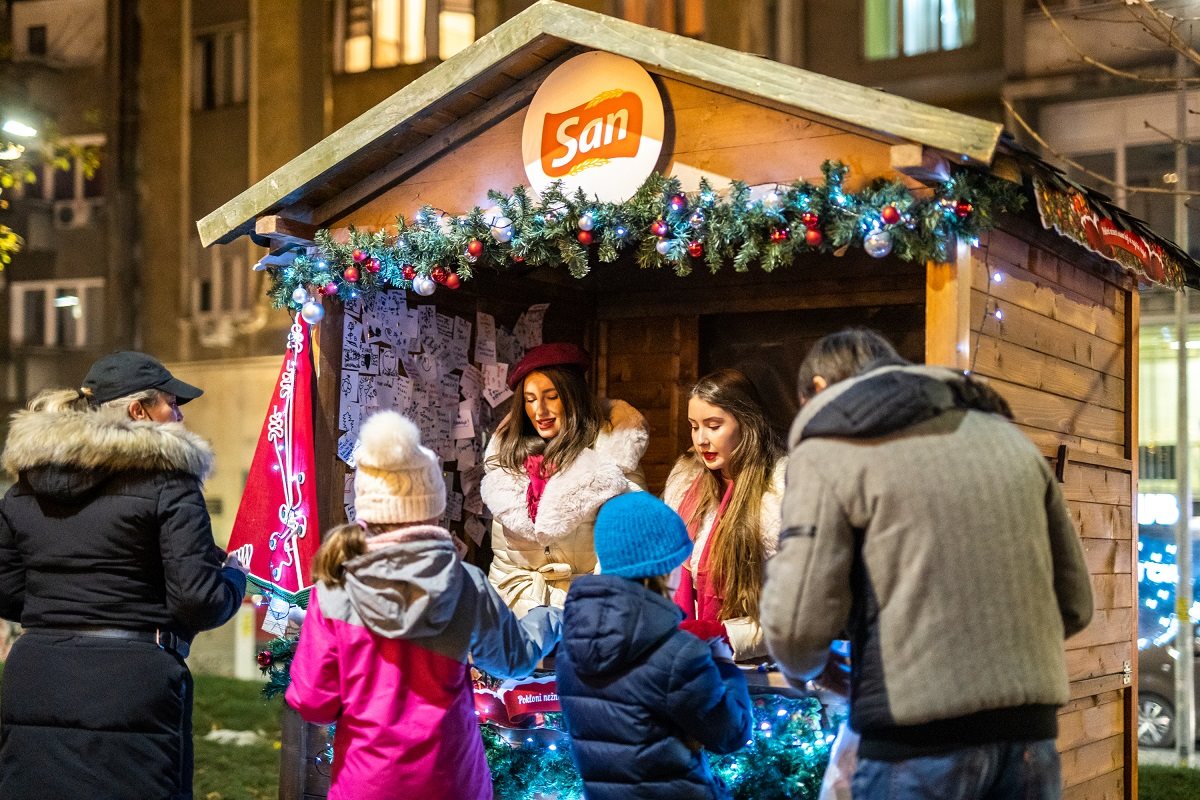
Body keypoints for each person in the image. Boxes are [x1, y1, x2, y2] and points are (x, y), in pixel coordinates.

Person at [761, 328, 1094, 800]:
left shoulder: (829, 453)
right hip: (1029, 738)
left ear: (818, 389)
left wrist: (805, 664)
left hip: (914, 741)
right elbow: (1075, 604)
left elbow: (797, 624)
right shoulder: (1009, 440)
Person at [0, 351, 248, 799]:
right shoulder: (169, 483)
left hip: (37, 674)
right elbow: (198, 600)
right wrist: (233, 577)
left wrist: (61, 616)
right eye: (171, 403)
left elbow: (6, 590)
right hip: (133, 681)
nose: (180, 414)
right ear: (138, 411)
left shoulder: (25, 486)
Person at [286, 410, 561, 800]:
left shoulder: (332, 590)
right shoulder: (465, 582)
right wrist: (548, 617)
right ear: (431, 509)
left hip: (365, 785)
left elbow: (314, 702)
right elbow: (513, 658)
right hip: (452, 781)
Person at [556, 492, 753, 800]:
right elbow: (731, 734)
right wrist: (725, 665)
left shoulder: (570, 649)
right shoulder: (678, 653)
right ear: (665, 570)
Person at [481, 342, 648, 616]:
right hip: (520, 616)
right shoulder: (508, 462)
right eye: (530, 400)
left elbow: (627, 552)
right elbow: (504, 565)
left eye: (552, 396)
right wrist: (506, 619)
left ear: (573, 397)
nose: (540, 411)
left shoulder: (613, 458)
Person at [663, 368, 786, 662]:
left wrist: (724, 637)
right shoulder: (686, 486)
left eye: (713, 426)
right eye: (694, 427)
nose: (701, 440)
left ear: (747, 423)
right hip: (689, 656)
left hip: (757, 664)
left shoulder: (778, 497)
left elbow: (794, 612)